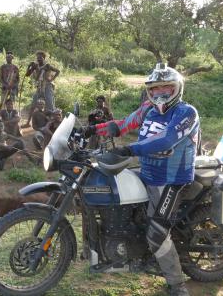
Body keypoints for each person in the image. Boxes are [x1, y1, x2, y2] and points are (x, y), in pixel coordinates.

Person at [84, 63, 197, 296]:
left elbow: (166, 139)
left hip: (172, 180)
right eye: (155, 88)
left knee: (157, 233)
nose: (161, 92)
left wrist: (129, 150)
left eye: (167, 87)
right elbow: (123, 125)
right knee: (115, 195)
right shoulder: (148, 109)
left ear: (178, 88)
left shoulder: (186, 113)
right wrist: (92, 129)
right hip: (147, 172)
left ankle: (177, 284)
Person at [22, 51, 60, 128]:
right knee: (33, 105)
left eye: (40, 57)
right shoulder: (35, 66)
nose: (39, 59)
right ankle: (28, 123)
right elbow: (27, 75)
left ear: (44, 58)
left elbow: (58, 71)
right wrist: (29, 66)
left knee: (50, 105)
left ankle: (53, 124)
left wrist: (52, 79)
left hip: (47, 86)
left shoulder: (48, 66)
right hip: (39, 87)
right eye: (37, 57)